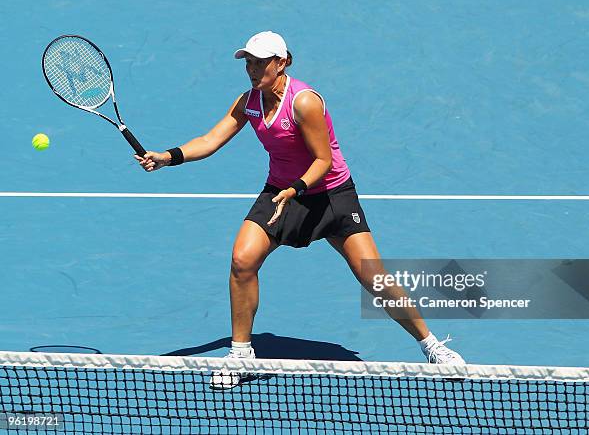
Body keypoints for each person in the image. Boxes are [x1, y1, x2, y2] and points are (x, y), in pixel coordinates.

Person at [136, 31, 465, 389]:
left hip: (329, 194)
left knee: (373, 276)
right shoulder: (249, 101)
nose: (252, 68)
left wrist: (296, 190)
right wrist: (168, 157)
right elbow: (210, 140)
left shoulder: (305, 102)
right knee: (242, 260)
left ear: (282, 63)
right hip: (280, 192)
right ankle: (241, 354)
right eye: (248, 61)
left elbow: (324, 160)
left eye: (260, 61)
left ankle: (432, 345)